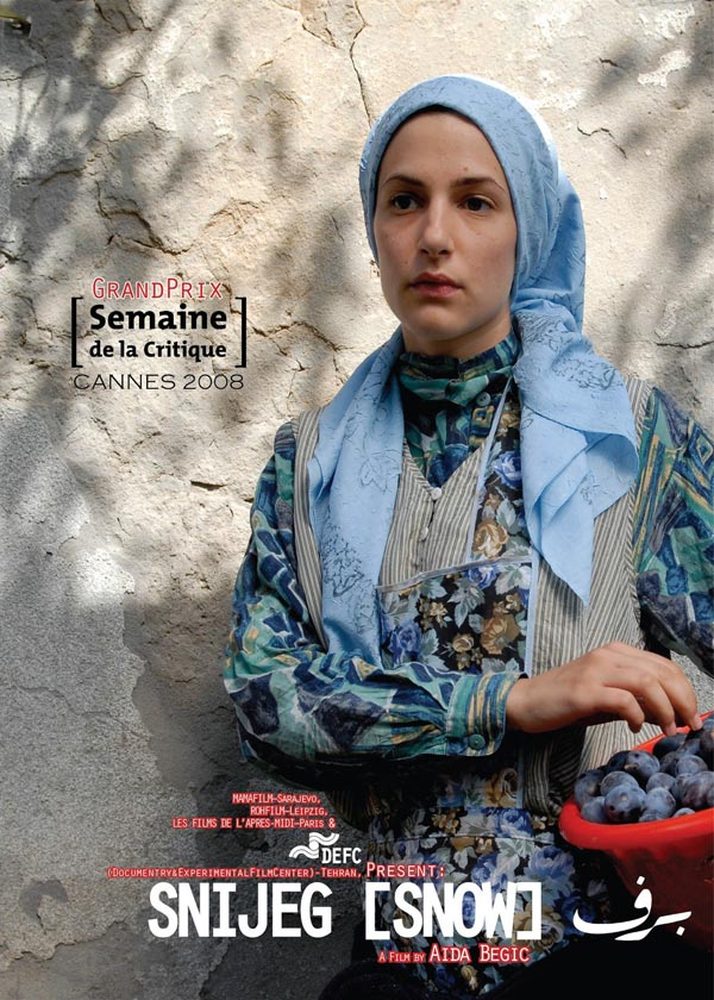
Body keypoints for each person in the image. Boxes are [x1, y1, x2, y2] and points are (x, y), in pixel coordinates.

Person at [224, 76, 713, 997]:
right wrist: (511, 701)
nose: (435, 236)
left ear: (529, 229)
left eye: (476, 202)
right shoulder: (309, 464)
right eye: (405, 201)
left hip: (606, 959)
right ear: (374, 230)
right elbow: (266, 703)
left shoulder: (627, 437)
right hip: (402, 964)